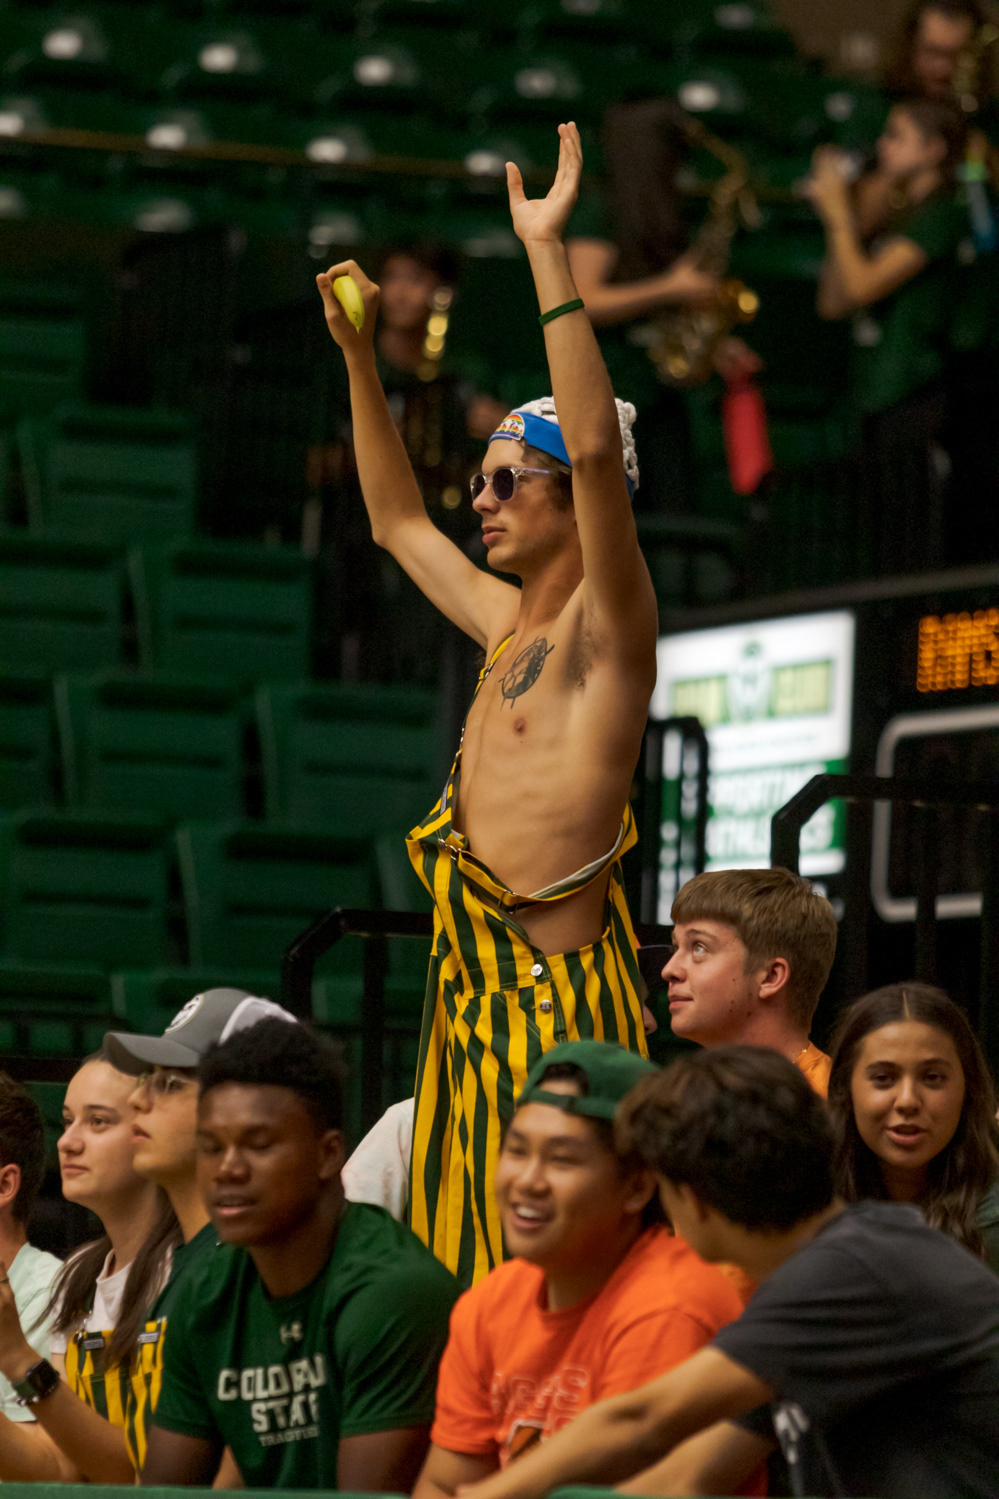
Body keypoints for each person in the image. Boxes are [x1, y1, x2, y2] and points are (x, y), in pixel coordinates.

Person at [316, 120, 657, 1287]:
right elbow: (395, 521)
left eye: (510, 478)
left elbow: (606, 461)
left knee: (560, 1277)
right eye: (483, 477)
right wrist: (362, 364)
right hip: (465, 1009)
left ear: (573, 492)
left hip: (555, 1012)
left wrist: (546, 251)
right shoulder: (503, 623)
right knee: (463, 1278)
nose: (484, 499)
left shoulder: (606, 635)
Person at [455, 1046, 999, 1499]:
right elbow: (687, 1478)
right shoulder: (827, 1272)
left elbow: (642, 1422)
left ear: (693, 1198)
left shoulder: (849, 1271)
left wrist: (492, 1496)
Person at [413, 1040, 759, 1499]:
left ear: (637, 1187)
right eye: (516, 1151)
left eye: (561, 1159)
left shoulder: (671, 1306)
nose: (527, 1181)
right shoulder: (489, 1303)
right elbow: (444, 1483)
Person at [143, 1017, 460, 1490]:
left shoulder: (394, 1292)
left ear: (328, 1154)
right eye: (210, 1148)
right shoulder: (207, 1293)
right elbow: (162, 1493)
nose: (227, 1169)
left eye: (258, 1144)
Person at [566, 97, 763, 516]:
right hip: (611, 392)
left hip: (660, 390)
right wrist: (670, 289)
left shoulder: (661, 211)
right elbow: (581, 302)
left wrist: (711, 343)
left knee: (675, 513)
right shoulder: (601, 209)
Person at [805, 98, 968, 573]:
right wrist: (847, 221)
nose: (883, 146)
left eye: (897, 136)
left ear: (935, 149)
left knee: (903, 546)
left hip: (914, 396)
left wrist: (838, 216)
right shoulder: (899, 212)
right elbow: (834, 302)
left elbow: (860, 285)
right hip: (871, 397)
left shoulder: (942, 215)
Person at [0, 1049, 177, 1482]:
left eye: (97, 1121)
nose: (67, 1141)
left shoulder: (192, 1271)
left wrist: (16, 1354)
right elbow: (60, 1467)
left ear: (154, 1132)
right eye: (67, 1120)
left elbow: (139, 1473)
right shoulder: (80, 1275)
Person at [827, 981, 999, 1274]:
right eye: (883, 1078)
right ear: (846, 1090)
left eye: (932, 1078)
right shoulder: (804, 1204)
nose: (908, 1101)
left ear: (968, 1087)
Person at [659, 867, 838, 1094]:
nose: (669, 970)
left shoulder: (828, 1107)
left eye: (699, 947)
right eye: (676, 948)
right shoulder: (691, 1094)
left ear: (771, 977)